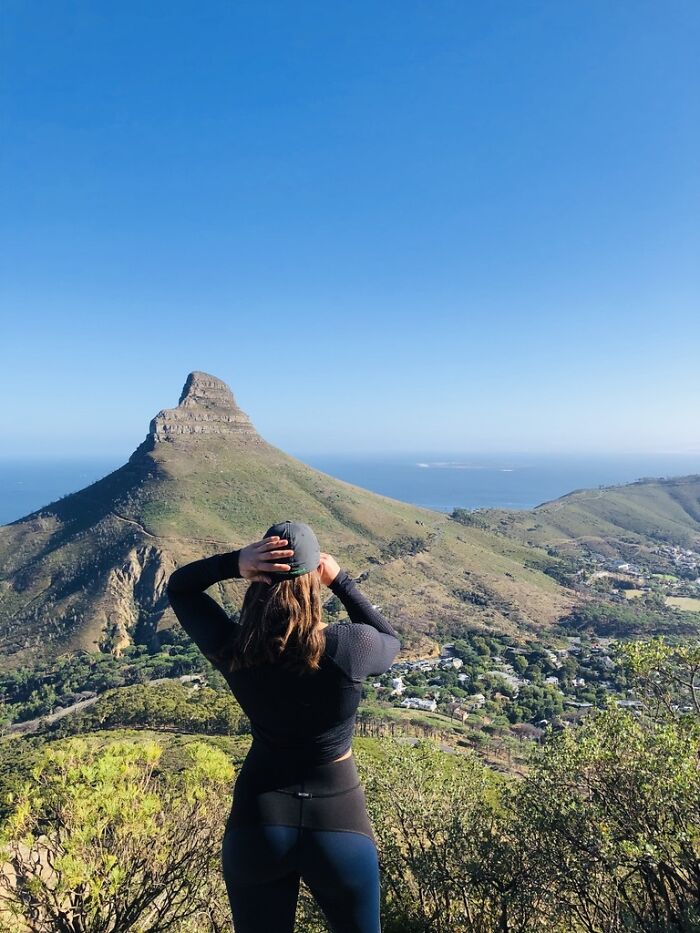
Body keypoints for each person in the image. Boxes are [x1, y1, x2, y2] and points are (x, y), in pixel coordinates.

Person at [166, 519, 402, 933]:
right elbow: (390, 640)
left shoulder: (234, 648)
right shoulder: (352, 647)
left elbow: (181, 587)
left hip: (258, 822)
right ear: (314, 578)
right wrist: (341, 581)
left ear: (257, 580)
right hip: (339, 824)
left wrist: (233, 562)